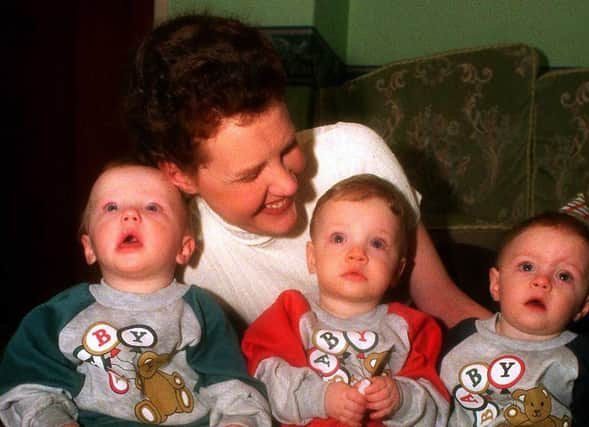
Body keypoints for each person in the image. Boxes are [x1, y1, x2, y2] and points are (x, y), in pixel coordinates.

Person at [124, 12, 490, 331]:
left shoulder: (354, 154)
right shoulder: (180, 257)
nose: (288, 183)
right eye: (251, 175)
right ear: (180, 176)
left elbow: (440, 300)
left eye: (287, 148)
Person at [0, 163, 271, 427]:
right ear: (89, 247)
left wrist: (239, 420)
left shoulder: (201, 310)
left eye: (152, 207)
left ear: (184, 248)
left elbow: (230, 386)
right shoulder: (58, 315)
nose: (129, 214)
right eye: (111, 207)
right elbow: (27, 387)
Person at [242, 174, 450, 426]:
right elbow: (262, 383)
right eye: (339, 238)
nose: (357, 254)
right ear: (312, 257)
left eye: (376, 243)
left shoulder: (413, 328)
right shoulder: (290, 312)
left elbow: (439, 409)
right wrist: (321, 397)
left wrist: (401, 398)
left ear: (398, 269)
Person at [438, 199, 589, 426]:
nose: (542, 281)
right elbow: (428, 394)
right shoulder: (461, 337)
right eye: (527, 267)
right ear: (496, 284)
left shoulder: (581, 359)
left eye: (564, 276)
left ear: (584, 306)